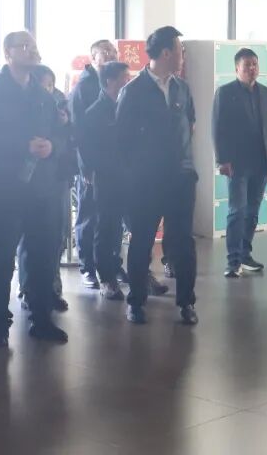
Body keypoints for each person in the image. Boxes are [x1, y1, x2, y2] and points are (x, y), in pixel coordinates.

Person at [0, 31, 68, 348]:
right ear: (8, 53)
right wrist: (22, 146)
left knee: (43, 256)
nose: (32, 51)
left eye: (34, 46)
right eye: (24, 46)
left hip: (41, 189)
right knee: (1, 258)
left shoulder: (43, 94)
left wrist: (52, 146)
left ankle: (42, 319)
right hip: (5, 189)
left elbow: (61, 133)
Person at [116, 26, 198, 326]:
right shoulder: (133, 91)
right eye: (179, 50)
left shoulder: (182, 88)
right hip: (146, 183)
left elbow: (190, 125)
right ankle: (136, 302)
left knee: (184, 244)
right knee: (142, 243)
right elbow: (122, 141)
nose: (182, 55)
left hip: (181, 179)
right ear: (166, 53)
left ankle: (186, 302)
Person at [212, 48, 267, 278]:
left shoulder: (266, 93)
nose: (252, 68)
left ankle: (245, 254)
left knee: (252, 212)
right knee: (237, 211)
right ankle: (233, 261)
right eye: (247, 65)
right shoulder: (225, 92)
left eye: (254, 64)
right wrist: (222, 159)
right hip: (237, 164)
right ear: (237, 68)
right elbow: (217, 128)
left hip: (260, 162)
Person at [16, 65, 71, 313]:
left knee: (54, 238)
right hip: (29, 182)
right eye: (44, 84)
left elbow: (67, 140)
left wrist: (63, 126)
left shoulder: (57, 104)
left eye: (51, 84)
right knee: (30, 242)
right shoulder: (26, 105)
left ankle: (51, 289)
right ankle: (29, 290)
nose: (48, 89)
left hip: (56, 179)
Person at [77, 61, 131, 300]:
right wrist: (90, 170)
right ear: (110, 81)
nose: (128, 82)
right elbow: (85, 146)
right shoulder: (95, 112)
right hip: (106, 178)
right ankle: (106, 278)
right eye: (124, 78)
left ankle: (123, 269)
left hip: (128, 176)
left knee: (123, 228)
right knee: (105, 227)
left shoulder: (126, 107)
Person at [68, 39, 117, 289]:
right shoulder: (84, 86)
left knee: (112, 218)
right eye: (104, 52)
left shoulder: (116, 83)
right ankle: (87, 266)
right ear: (93, 57)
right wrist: (85, 167)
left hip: (113, 165)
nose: (110, 55)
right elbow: (78, 131)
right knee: (88, 217)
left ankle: (111, 265)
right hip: (89, 165)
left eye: (113, 51)